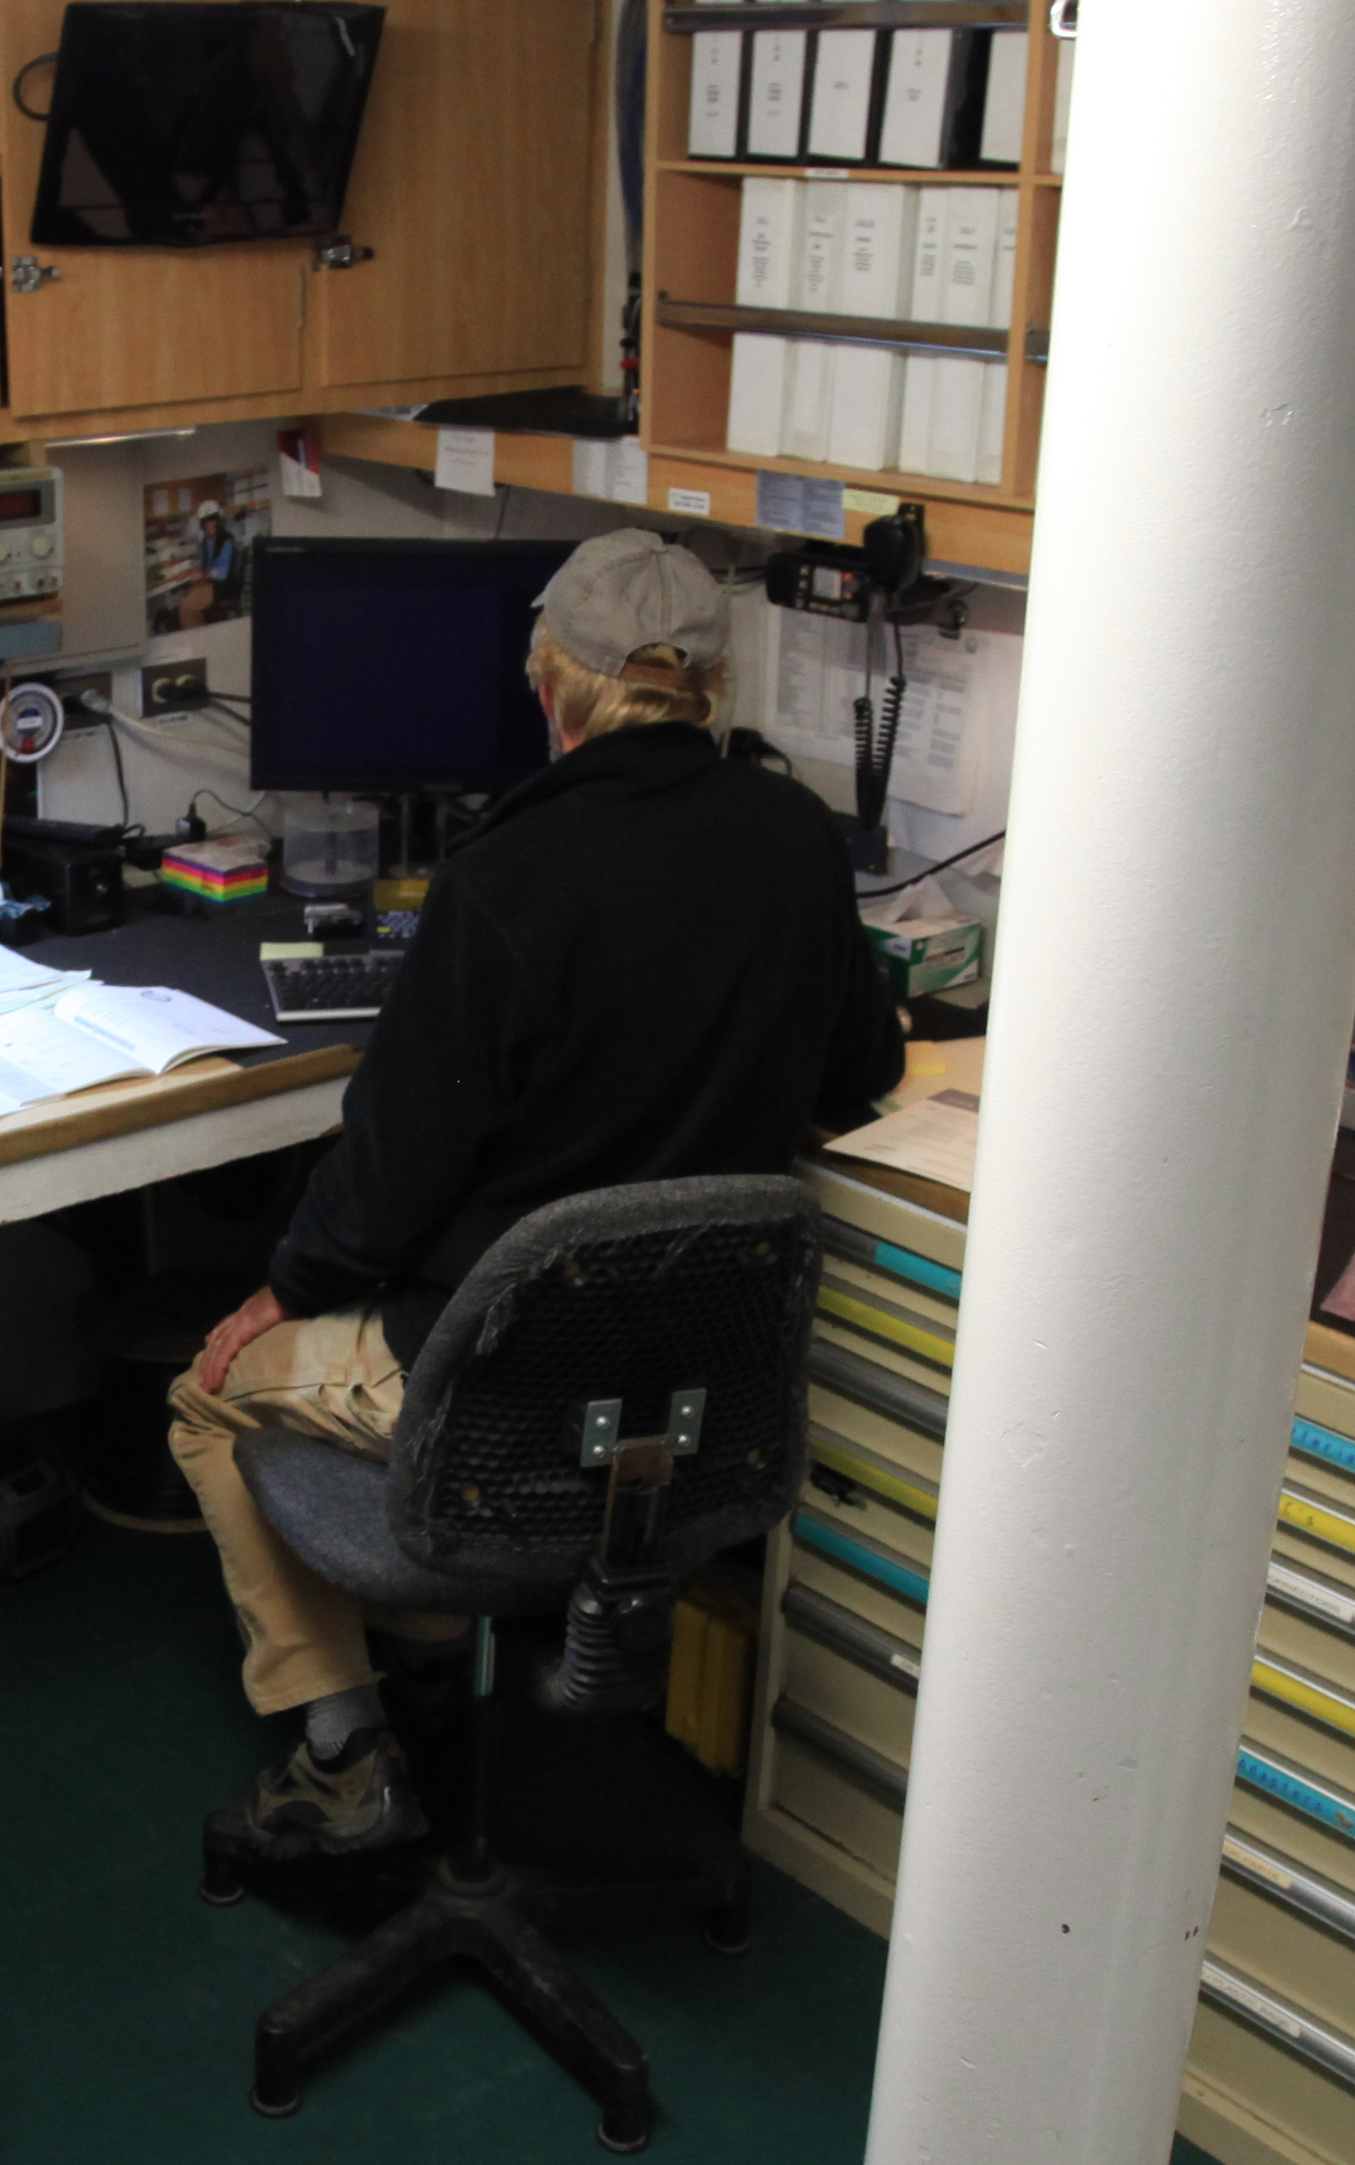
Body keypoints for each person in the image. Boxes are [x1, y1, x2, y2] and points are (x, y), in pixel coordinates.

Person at [167, 530, 902, 1855]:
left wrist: (282, 1293)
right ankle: (438, 1663)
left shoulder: (505, 877)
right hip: (689, 1390)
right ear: (716, 683)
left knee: (206, 1401)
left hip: (492, 1385)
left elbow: (387, 1176)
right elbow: (861, 1072)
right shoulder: (798, 836)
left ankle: (348, 1751)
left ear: (547, 680)